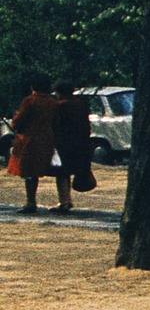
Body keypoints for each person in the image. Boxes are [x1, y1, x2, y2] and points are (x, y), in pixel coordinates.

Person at [7, 73, 59, 214]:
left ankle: (31, 201)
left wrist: (13, 121)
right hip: (47, 138)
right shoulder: (53, 101)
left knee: (29, 170)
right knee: (37, 169)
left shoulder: (30, 101)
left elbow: (19, 121)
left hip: (29, 139)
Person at [51, 82, 94, 214]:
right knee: (76, 168)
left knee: (62, 172)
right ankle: (67, 200)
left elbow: (57, 123)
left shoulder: (61, 105)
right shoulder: (81, 103)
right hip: (82, 141)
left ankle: (64, 201)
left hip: (66, 141)